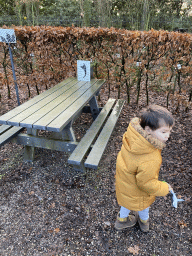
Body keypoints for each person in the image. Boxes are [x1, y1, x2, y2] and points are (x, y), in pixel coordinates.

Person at [115, 105, 175, 232]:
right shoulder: (150, 157)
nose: (168, 136)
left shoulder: (133, 138)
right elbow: (146, 184)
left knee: (126, 203)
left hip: (125, 183)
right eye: (164, 132)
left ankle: (122, 221)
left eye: (170, 131)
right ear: (148, 130)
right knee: (143, 206)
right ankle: (144, 223)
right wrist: (165, 188)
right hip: (138, 191)